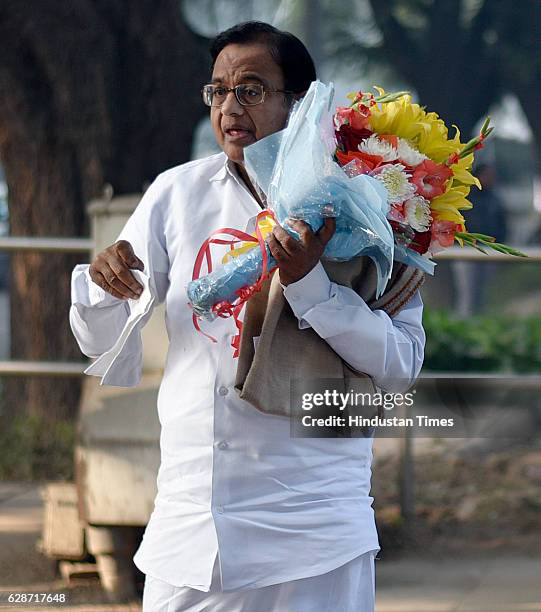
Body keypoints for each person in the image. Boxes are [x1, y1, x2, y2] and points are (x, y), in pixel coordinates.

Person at [69, 21, 426, 612]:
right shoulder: (175, 195)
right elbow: (101, 341)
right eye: (218, 91)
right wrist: (106, 289)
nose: (230, 107)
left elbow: (398, 367)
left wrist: (310, 286)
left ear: (302, 103)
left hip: (316, 532)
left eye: (252, 89)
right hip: (191, 528)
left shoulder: (373, 207)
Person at [452, 163, 508, 315]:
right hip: (465, 250)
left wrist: (499, 244)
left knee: (485, 290)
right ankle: (464, 318)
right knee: (467, 290)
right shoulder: (466, 196)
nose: (490, 179)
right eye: (487, 175)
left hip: (489, 251)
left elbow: (502, 224)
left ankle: (482, 318)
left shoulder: (495, 199)